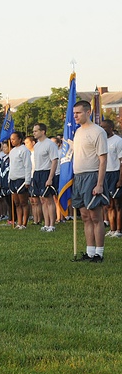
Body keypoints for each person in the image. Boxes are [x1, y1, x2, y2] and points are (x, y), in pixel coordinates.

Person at [72, 100, 108, 262]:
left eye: (78, 113)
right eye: (74, 113)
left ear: (88, 112)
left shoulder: (98, 132)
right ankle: (90, 251)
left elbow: (103, 160)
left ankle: (99, 253)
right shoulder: (78, 132)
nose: (75, 116)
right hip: (78, 177)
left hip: (92, 176)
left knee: (95, 216)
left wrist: (99, 184)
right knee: (85, 216)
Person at [101, 120, 122, 238]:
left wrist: (120, 179)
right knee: (109, 204)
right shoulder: (101, 141)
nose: (103, 129)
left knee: (118, 204)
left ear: (111, 127)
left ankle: (119, 230)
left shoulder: (118, 141)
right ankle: (112, 228)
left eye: (105, 127)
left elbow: (121, 162)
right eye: (101, 127)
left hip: (115, 173)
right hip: (105, 174)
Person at [7, 131, 32, 230]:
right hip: (13, 179)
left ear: (20, 139)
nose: (12, 141)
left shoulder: (24, 150)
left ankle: (24, 223)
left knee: (23, 202)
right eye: (11, 139)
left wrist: (27, 180)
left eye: (14, 139)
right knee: (16, 203)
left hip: (21, 179)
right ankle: (19, 222)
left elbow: (27, 166)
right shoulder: (12, 151)